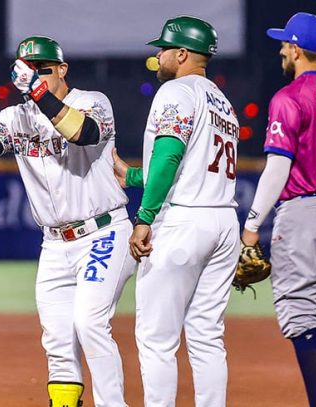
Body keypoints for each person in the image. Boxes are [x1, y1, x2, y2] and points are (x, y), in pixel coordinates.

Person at [0, 36, 135, 407]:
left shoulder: (91, 102)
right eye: (28, 70)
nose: (35, 76)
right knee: (57, 338)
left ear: (63, 70)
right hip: (54, 245)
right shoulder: (16, 117)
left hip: (104, 231)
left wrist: (38, 93)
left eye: (43, 70)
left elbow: (83, 134)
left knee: (89, 322)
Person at [112, 16, 241, 407]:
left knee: (156, 338)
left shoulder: (176, 91)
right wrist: (133, 175)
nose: (159, 55)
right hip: (223, 221)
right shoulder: (224, 104)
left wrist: (144, 218)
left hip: (184, 221)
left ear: (182, 53)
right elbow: (191, 166)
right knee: (206, 334)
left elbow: (170, 157)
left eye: (164, 48)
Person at [242, 12, 316, 407]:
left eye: (283, 43)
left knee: (300, 320)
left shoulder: (289, 97)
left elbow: (278, 167)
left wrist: (252, 224)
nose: (280, 49)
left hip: (304, 210)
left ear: (296, 49)